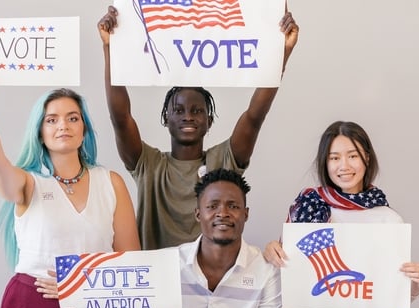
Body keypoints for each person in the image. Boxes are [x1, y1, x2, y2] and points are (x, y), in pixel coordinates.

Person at [0, 65, 141, 308]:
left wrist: (79, 287)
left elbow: (132, 263)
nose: (63, 126)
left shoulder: (111, 182)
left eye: (72, 118)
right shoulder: (27, 183)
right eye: (51, 120)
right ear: (40, 132)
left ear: (84, 130)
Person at [97, 5, 299, 250]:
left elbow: (255, 116)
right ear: (166, 119)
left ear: (209, 121)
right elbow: (120, 118)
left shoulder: (224, 160)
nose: (188, 117)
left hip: (213, 282)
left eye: (197, 111)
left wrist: (282, 53)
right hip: (160, 281)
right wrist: (110, 47)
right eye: (179, 111)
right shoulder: (149, 164)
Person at [48, 168, 285, 308]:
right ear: (198, 214)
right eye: (212, 206)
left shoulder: (266, 271)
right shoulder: (165, 265)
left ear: (246, 214)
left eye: (233, 206)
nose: (223, 213)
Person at [263, 121, 419, 308]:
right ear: (325, 162)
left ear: (367, 158)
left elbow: (391, 296)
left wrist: (416, 285)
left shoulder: (387, 218)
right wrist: (273, 251)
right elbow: (287, 273)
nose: (343, 165)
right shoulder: (311, 205)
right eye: (334, 158)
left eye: (352, 156)